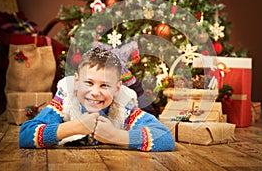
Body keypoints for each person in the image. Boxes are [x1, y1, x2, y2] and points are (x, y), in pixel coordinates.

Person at [19, 47, 175, 151]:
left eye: (104, 85)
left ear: (117, 89)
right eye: (88, 82)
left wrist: (115, 136)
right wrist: (75, 127)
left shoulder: (123, 107)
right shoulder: (66, 100)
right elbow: (25, 135)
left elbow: (165, 137)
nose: (95, 92)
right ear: (77, 82)